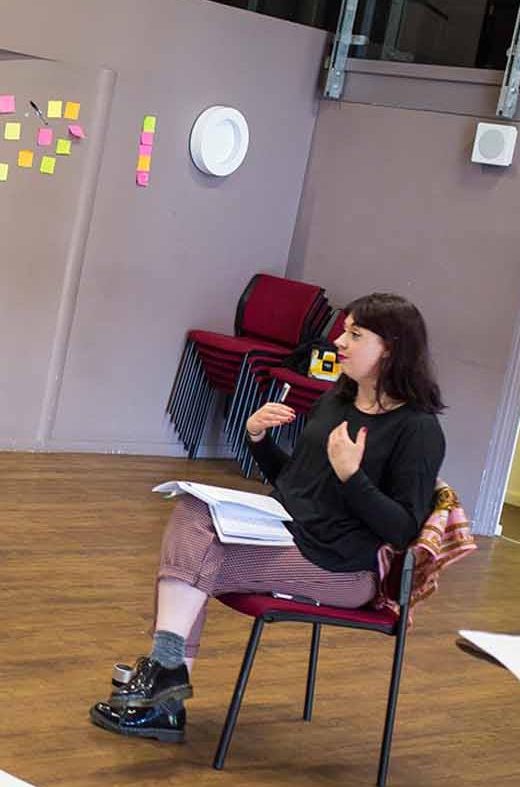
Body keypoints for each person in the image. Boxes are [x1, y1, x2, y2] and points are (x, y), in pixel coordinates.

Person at [90, 293, 446, 743]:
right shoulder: (338, 401)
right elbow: (298, 486)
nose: (339, 342)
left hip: (345, 570)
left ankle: (165, 692)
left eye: (355, 335)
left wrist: (353, 477)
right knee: (192, 511)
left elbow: (402, 530)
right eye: (344, 331)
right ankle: (165, 688)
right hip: (293, 535)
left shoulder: (418, 428)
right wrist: (257, 437)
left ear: (391, 348)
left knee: (193, 563)